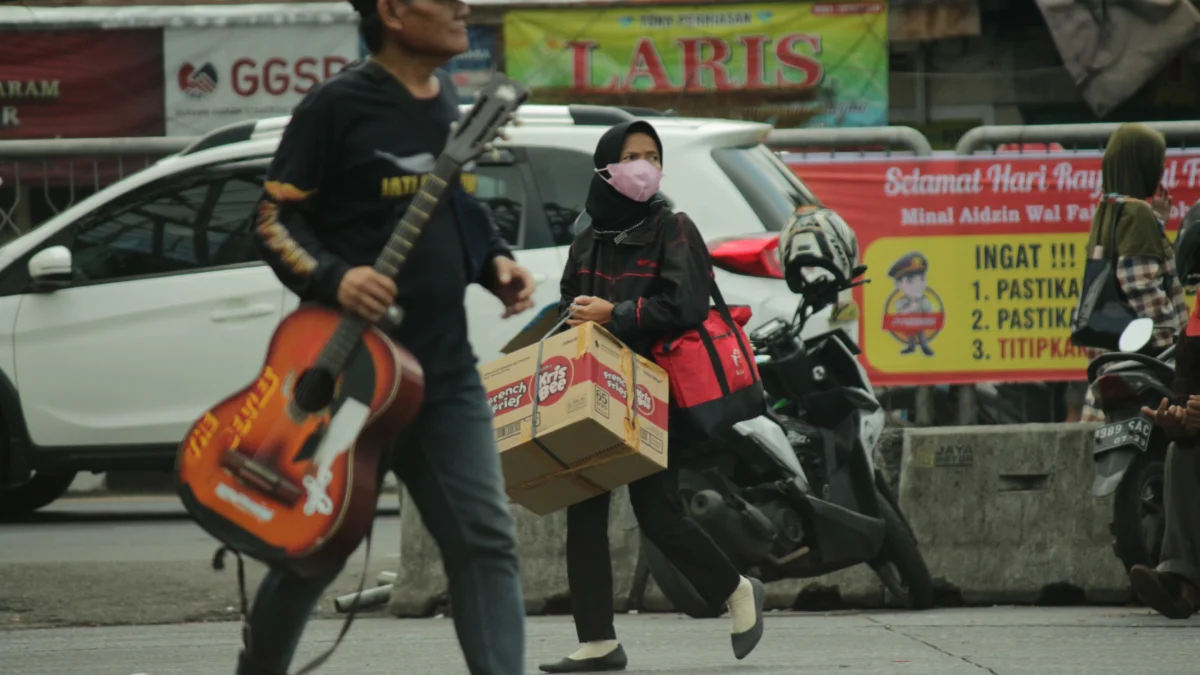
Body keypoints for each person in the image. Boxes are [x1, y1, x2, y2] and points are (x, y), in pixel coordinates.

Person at [237, 0, 534, 673]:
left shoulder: (443, 96)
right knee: (315, 548)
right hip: (353, 379)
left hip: (443, 374)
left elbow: (447, 196)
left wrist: (492, 260)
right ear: (395, 12)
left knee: (485, 540)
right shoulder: (334, 107)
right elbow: (269, 220)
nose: (463, 7)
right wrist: (336, 279)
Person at [539, 120, 766, 674]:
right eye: (631, 156)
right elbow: (571, 299)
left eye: (651, 156)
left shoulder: (673, 228)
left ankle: (737, 591)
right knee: (584, 507)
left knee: (656, 510)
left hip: (653, 390)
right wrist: (571, 322)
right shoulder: (588, 236)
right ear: (605, 169)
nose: (643, 167)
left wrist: (615, 313)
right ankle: (597, 641)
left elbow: (685, 306)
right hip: (596, 387)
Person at [1075, 123, 1186, 422]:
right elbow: (1142, 290)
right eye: (1156, 163)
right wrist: (1177, 358)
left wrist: (1158, 220)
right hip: (1149, 373)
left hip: (1113, 367)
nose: (1160, 171)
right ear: (1140, 164)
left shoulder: (1106, 211)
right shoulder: (1137, 214)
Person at [1131, 202, 1200, 619]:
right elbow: (1182, 395)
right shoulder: (1193, 330)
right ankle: (1182, 585)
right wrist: (1178, 421)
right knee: (1181, 452)